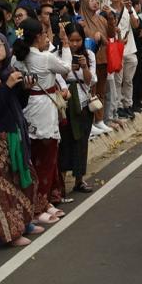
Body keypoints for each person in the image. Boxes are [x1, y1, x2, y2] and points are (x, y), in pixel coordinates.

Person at [0, 32, 43, 247]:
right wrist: (8, 86)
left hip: (14, 133)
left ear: (7, 47)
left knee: (24, 178)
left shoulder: (10, 71)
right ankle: (10, 234)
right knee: (1, 188)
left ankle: (24, 222)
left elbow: (18, 104)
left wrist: (25, 89)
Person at [12, 17, 72, 224]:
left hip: (26, 108)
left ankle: (41, 202)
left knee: (32, 159)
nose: (47, 37)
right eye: (45, 33)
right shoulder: (45, 58)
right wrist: (65, 45)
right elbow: (66, 68)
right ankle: (38, 206)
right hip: (44, 110)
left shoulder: (17, 58)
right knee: (46, 159)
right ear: (38, 36)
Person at [57, 24, 96, 194]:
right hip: (66, 101)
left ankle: (79, 179)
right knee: (65, 141)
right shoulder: (57, 55)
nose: (74, 44)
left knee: (82, 141)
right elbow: (58, 78)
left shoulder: (90, 55)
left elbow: (90, 81)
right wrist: (68, 70)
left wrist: (85, 67)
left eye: (78, 40)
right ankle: (61, 182)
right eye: (71, 40)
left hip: (83, 101)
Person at [78, 0, 115, 135]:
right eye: (91, 1)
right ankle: (90, 122)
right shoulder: (80, 20)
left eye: (96, 0)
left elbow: (111, 34)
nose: (95, 2)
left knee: (101, 91)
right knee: (90, 92)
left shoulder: (102, 18)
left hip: (103, 58)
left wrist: (110, 17)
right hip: (89, 61)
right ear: (85, 4)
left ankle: (99, 120)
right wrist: (97, 37)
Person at [108, 0, 139, 120]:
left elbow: (136, 25)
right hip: (115, 49)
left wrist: (130, 10)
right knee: (117, 80)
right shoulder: (106, 8)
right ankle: (119, 106)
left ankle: (128, 105)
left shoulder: (128, 8)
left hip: (130, 49)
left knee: (128, 80)